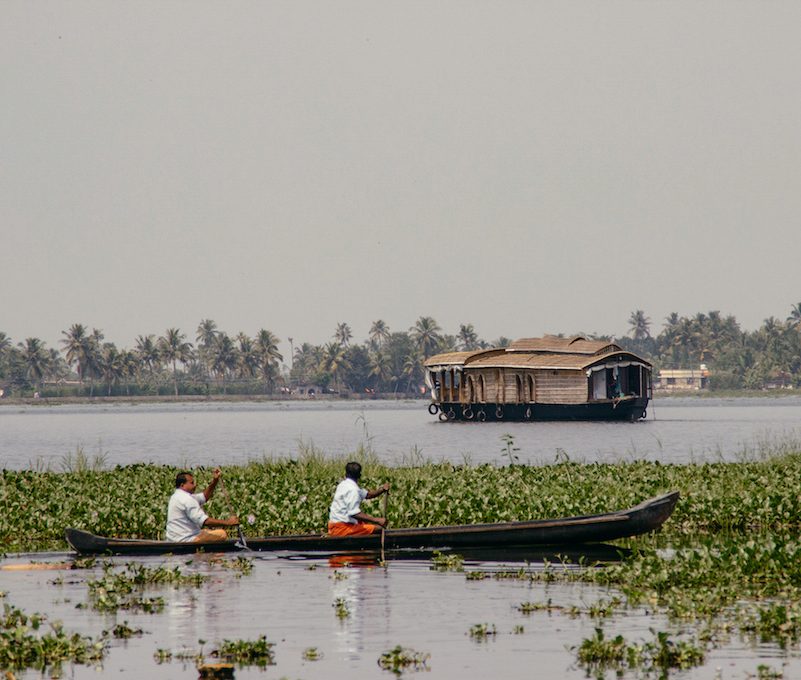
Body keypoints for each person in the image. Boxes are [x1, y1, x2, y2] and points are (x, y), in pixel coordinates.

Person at [165, 468, 239, 542]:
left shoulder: (176, 496)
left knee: (207, 531)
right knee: (222, 533)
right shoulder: (187, 499)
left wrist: (215, 481)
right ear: (182, 485)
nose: (195, 485)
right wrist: (228, 522)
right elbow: (205, 521)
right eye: (192, 483)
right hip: (186, 539)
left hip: (173, 538)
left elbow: (204, 497)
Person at [327, 461, 389, 536]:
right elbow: (354, 513)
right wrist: (377, 520)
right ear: (359, 476)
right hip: (341, 528)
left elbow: (368, 495)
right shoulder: (353, 490)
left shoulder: (343, 484)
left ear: (346, 474)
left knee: (365, 523)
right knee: (379, 528)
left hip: (334, 525)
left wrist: (382, 489)